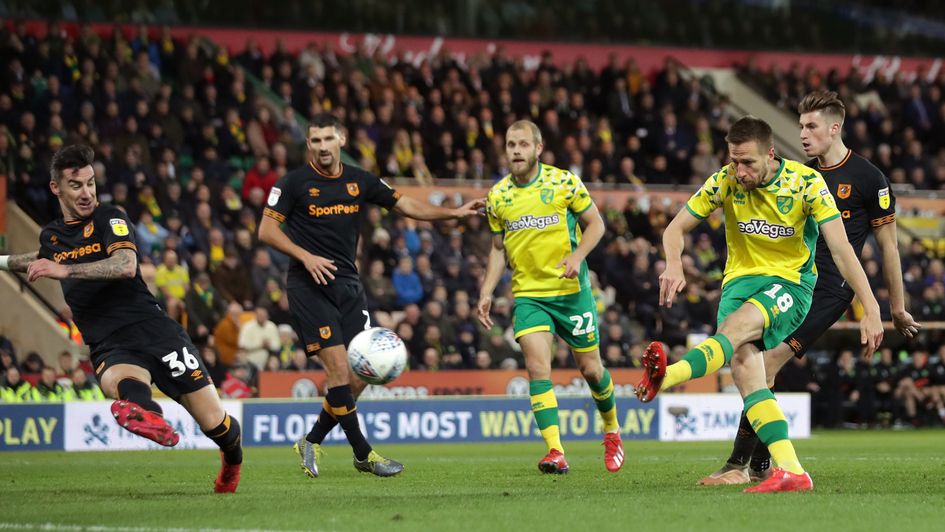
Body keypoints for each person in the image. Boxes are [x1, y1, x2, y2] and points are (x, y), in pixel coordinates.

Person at [635, 116, 884, 493]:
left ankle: (666, 377)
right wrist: (673, 263)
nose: (740, 170)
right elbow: (674, 229)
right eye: (734, 160)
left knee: (733, 333)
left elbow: (841, 248)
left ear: (770, 154)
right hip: (738, 285)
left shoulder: (805, 183)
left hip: (789, 285)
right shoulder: (724, 181)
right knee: (747, 374)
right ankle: (791, 471)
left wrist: (871, 307)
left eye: (748, 162)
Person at [699, 91, 921, 485]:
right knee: (755, 366)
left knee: (761, 365)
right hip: (791, 282)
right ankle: (759, 465)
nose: (802, 134)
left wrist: (892, 309)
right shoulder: (801, 175)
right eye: (800, 125)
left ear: (834, 128)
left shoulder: (869, 179)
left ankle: (742, 466)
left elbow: (889, 249)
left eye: (811, 126)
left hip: (831, 290)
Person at [0, 145, 242, 493]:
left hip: (154, 330)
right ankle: (148, 415)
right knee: (118, 380)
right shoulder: (52, 237)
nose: (87, 193)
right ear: (56, 188)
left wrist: (64, 269)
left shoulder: (110, 218)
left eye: (90, 183)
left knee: (214, 423)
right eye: (76, 185)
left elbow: (125, 266)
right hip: (108, 341)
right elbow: (36, 258)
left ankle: (232, 458)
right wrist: (3, 261)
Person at [258, 113, 482, 478]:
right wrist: (305, 256)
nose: (322, 147)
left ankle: (311, 440)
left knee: (360, 376)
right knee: (339, 373)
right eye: (315, 141)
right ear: (309, 144)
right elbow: (266, 231)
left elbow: (405, 203)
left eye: (328, 139)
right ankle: (364, 454)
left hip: (348, 285)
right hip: (309, 284)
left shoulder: (358, 180)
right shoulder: (294, 183)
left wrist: (452, 213)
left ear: (341, 139)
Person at [477, 120, 623, 475]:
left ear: (538, 149)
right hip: (529, 296)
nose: (516, 151)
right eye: (511, 144)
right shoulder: (497, 197)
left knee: (591, 370)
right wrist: (486, 289)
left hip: (571, 294)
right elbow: (498, 249)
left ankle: (612, 429)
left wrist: (576, 257)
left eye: (523, 144)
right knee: (537, 368)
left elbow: (597, 224)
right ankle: (555, 450)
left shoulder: (563, 183)